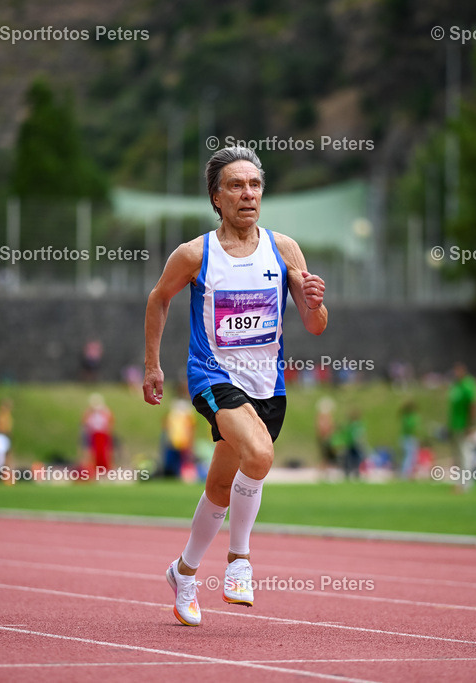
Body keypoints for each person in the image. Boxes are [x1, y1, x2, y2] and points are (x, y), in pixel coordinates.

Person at [143, 146, 327, 626]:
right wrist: (152, 365)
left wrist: (314, 301)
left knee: (223, 484)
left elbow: (315, 325)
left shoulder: (284, 249)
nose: (248, 194)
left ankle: (183, 572)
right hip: (213, 376)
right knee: (261, 456)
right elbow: (159, 299)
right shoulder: (194, 254)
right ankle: (239, 561)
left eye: (255, 185)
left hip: (268, 385)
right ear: (216, 197)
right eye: (236, 186)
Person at [447, 362, 476, 491]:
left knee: (465, 455)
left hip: (464, 425)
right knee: (458, 456)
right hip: (455, 425)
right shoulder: (455, 385)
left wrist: (470, 424)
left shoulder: (468, 385)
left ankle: (466, 484)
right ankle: (459, 482)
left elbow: (473, 405)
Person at [82, 393, 114, 474]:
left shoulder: (105, 411)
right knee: (93, 452)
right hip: (93, 434)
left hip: (102, 434)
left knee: (103, 452)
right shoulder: (89, 412)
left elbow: (110, 421)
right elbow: (85, 421)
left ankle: (104, 468)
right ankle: (93, 468)